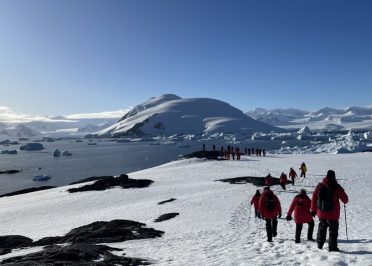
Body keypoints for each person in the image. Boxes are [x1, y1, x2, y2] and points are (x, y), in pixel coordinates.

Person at [311, 170, 349, 252]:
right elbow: (345, 200)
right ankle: (332, 248)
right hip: (333, 213)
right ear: (334, 177)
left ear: (326, 176)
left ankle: (320, 244)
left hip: (321, 212)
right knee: (333, 230)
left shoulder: (320, 186)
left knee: (322, 227)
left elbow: (314, 197)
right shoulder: (336, 187)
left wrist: (313, 210)